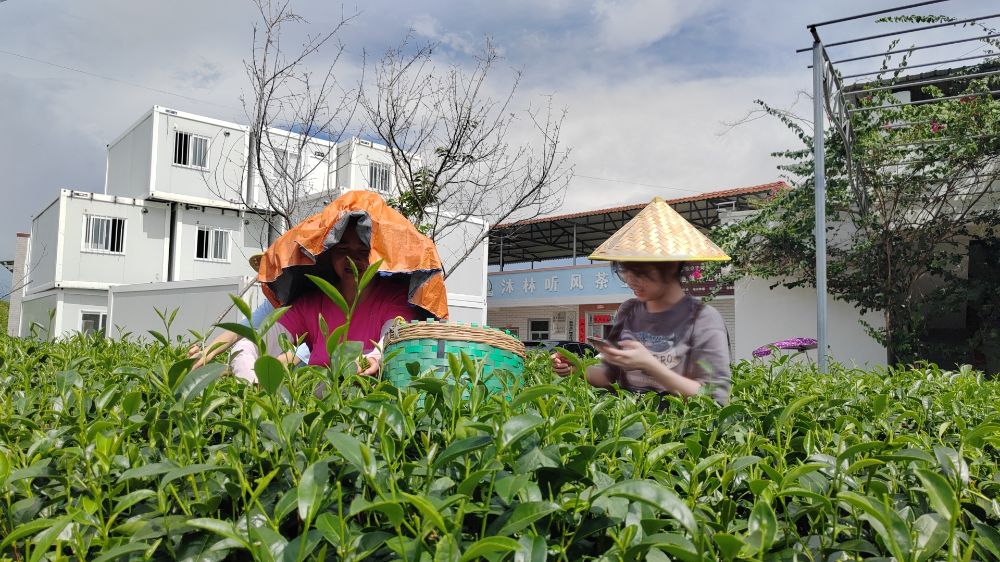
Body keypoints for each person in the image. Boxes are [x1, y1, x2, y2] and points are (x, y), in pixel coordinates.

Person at [551, 197, 732, 404]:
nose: (630, 280)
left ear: (670, 266)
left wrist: (651, 365)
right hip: (629, 419)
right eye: (624, 270)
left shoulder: (703, 319)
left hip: (678, 422)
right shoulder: (629, 310)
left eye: (638, 271)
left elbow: (715, 396)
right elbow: (609, 376)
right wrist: (576, 368)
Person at [256, 190, 449, 375]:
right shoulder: (312, 304)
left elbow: (393, 335)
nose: (352, 258)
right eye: (343, 249)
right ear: (330, 253)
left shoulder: (393, 300)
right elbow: (264, 341)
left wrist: (374, 357)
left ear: (378, 256)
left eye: (364, 251)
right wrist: (249, 364)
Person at [187, 253, 310, 382]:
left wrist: (228, 370)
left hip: (306, 369)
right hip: (279, 363)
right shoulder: (275, 302)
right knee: (243, 349)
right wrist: (206, 354)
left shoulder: (313, 302)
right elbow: (239, 331)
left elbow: (299, 355)